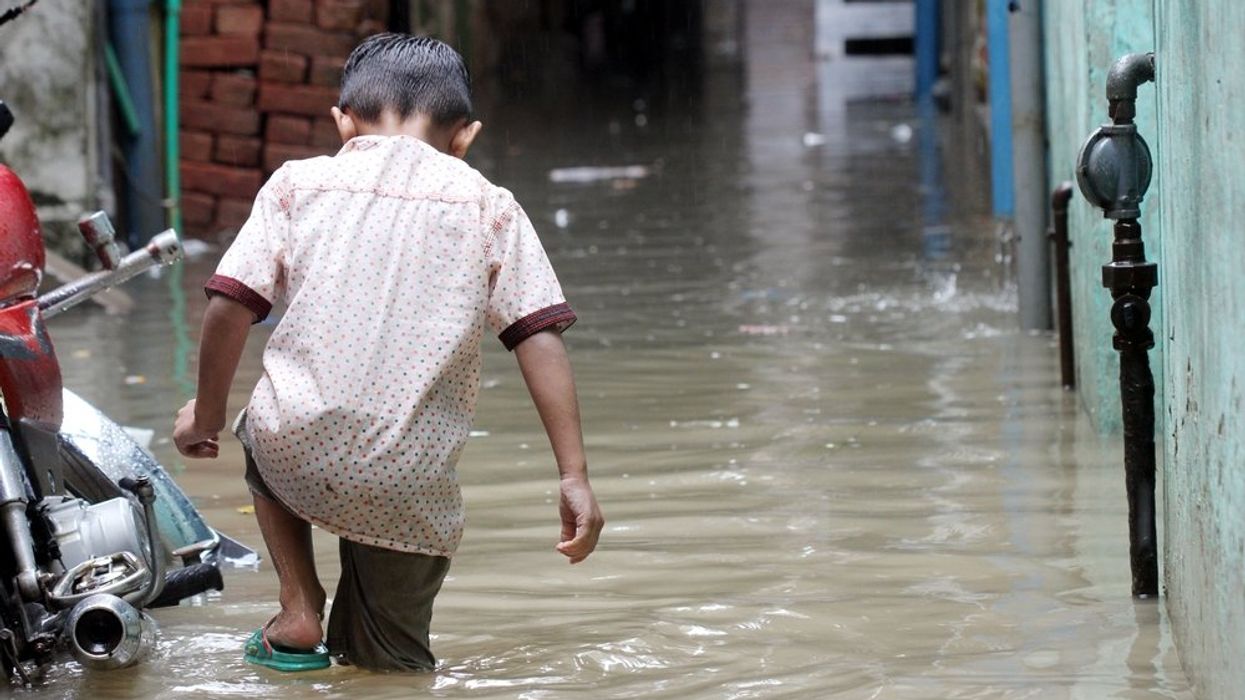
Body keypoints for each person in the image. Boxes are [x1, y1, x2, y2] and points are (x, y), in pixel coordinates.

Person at [172, 33, 603, 673]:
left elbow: (230, 303)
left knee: (259, 423)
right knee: (391, 666)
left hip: (298, 444)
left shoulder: (297, 185)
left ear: (342, 122)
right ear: (466, 137)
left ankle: (296, 605)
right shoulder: (489, 206)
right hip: (410, 477)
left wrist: (204, 416)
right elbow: (537, 335)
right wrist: (573, 475)